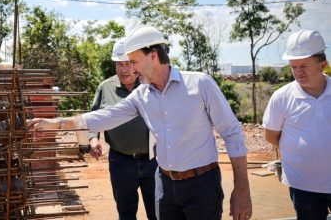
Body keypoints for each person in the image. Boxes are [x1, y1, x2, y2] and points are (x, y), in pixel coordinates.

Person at [28, 26, 252, 220]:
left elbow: (232, 133)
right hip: (165, 186)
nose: (131, 70)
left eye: (134, 61)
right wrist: (55, 123)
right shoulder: (142, 95)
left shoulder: (200, 84)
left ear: (153, 56)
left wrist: (242, 190)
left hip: (202, 185)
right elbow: (104, 116)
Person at [263, 29, 331, 220]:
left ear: (322, 65)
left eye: (304, 66)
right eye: (293, 66)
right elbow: (271, 136)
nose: (298, 72)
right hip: (303, 186)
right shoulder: (282, 97)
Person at [88, 39, 157, 220]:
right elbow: (94, 117)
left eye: (128, 64)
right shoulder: (105, 88)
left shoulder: (150, 86)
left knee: (158, 212)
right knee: (126, 213)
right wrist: (93, 139)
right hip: (121, 163)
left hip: (153, 161)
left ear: (136, 64)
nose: (124, 69)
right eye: (120, 64)